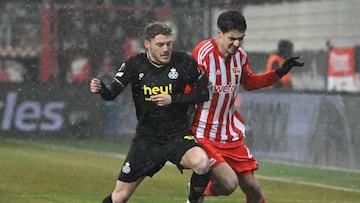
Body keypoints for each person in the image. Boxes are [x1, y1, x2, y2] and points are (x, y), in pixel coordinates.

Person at [188, 11, 304, 203]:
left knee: (254, 190)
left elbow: (249, 82)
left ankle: (200, 188)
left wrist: (279, 72)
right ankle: (199, 189)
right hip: (204, 133)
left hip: (230, 135)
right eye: (232, 38)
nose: (236, 44)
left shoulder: (240, 57)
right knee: (229, 184)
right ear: (219, 33)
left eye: (240, 39)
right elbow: (187, 90)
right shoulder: (203, 53)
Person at [90, 22, 210, 203]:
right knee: (119, 197)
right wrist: (101, 89)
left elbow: (203, 92)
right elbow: (111, 94)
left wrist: (173, 99)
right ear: (147, 44)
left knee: (202, 163)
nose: (166, 49)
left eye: (169, 44)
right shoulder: (135, 64)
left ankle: (193, 201)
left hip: (177, 135)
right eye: (160, 45)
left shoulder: (183, 61)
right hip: (147, 139)